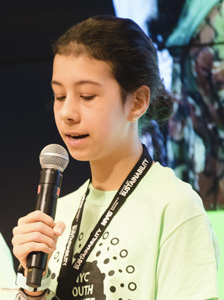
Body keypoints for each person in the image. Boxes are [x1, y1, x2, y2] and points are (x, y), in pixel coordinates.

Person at [12, 15, 219, 300]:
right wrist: (32, 289)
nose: (67, 113)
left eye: (86, 96)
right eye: (59, 96)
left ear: (137, 102)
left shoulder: (174, 206)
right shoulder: (57, 214)